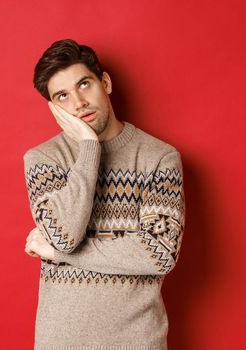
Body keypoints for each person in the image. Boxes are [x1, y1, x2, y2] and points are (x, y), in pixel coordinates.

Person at [22, 38, 185, 349]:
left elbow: (159, 254)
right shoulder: (44, 160)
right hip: (61, 341)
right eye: (63, 96)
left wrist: (58, 256)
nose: (78, 102)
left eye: (84, 84)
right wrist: (88, 147)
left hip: (137, 341)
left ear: (105, 82)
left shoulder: (159, 158)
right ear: (54, 108)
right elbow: (64, 236)